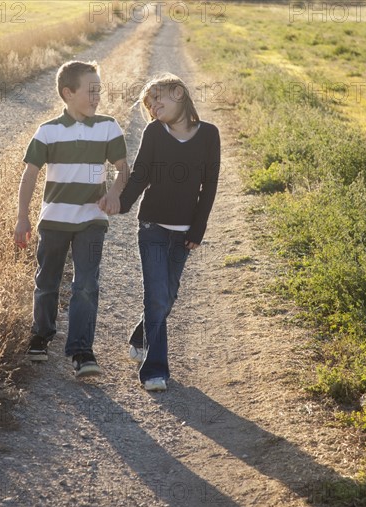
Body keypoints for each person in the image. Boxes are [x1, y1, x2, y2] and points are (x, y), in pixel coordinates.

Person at [100, 73, 220, 391]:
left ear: (179, 93)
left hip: (184, 233)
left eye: (157, 98)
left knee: (166, 299)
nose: (153, 107)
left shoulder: (209, 135)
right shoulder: (154, 132)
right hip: (152, 226)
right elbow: (141, 175)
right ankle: (155, 370)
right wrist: (121, 204)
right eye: (149, 103)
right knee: (155, 297)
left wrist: (199, 226)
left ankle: (141, 335)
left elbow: (209, 186)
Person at [14, 60, 128, 377]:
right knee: (47, 282)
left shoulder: (108, 126)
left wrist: (116, 193)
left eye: (99, 91)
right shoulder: (48, 131)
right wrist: (22, 218)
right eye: (91, 91)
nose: (97, 97)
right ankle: (41, 335)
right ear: (68, 92)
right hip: (53, 221)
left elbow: (123, 168)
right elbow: (30, 175)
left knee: (87, 284)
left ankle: (81, 351)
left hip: (92, 221)